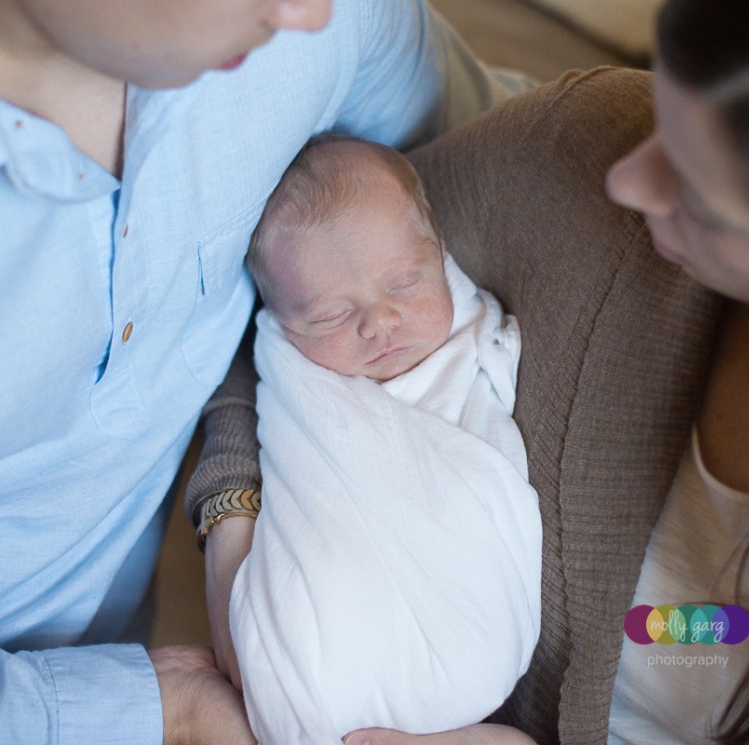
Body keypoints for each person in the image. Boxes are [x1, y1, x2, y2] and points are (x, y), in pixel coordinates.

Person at [0, 0, 535, 742]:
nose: (308, 13)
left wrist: (233, 490)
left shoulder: (323, 27)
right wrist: (163, 710)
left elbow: (541, 157)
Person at [285, 0, 749, 742]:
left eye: (696, 192)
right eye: (665, 109)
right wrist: (229, 513)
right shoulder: (580, 150)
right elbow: (290, 303)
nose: (628, 182)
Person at [228, 136, 541, 743]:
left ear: (441, 256)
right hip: (301, 663)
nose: (378, 322)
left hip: (464, 627)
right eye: (330, 317)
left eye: (404, 283)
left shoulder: (469, 330)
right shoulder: (298, 374)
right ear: (282, 323)